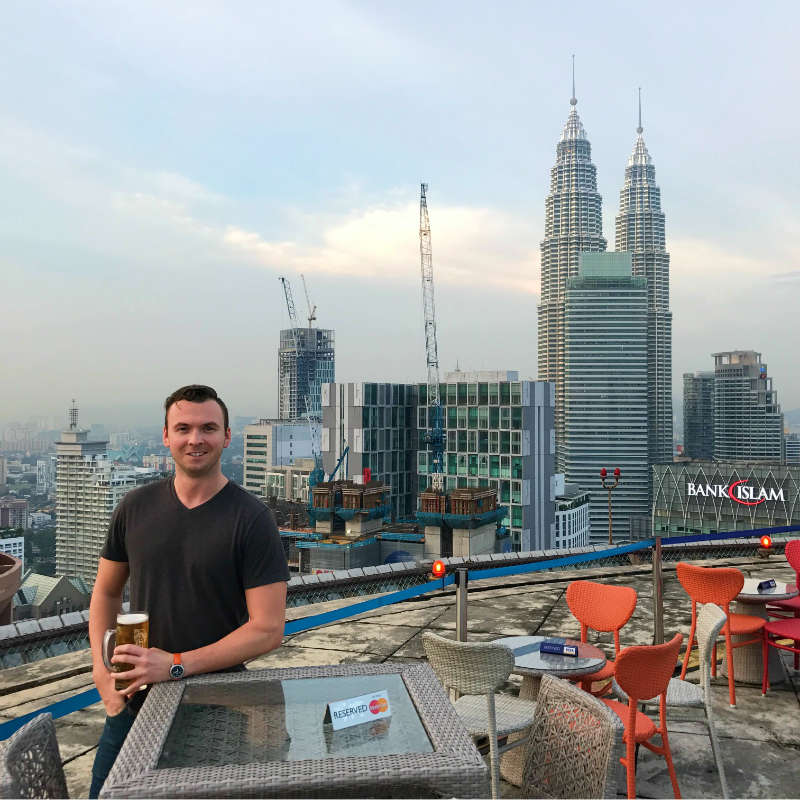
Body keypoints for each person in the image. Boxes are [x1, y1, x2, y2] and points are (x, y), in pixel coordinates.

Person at [88, 385, 289, 797]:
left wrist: (175, 664)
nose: (195, 439)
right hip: (134, 702)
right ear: (166, 436)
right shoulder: (135, 507)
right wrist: (101, 671)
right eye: (183, 428)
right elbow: (106, 593)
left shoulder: (251, 519)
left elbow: (268, 629)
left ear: (227, 437)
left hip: (221, 704)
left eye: (208, 428)